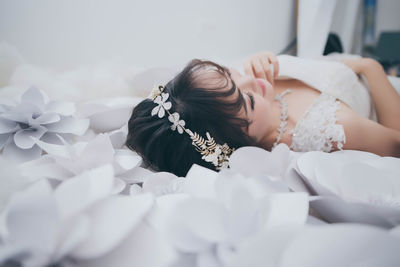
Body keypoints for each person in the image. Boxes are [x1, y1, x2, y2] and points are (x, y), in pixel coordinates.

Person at [126, 51, 400, 176]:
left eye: (228, 74)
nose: (251, 80)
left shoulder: (250, 85)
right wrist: (370, 66)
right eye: (248, 100)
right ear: (239, 144)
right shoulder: (329, 129)